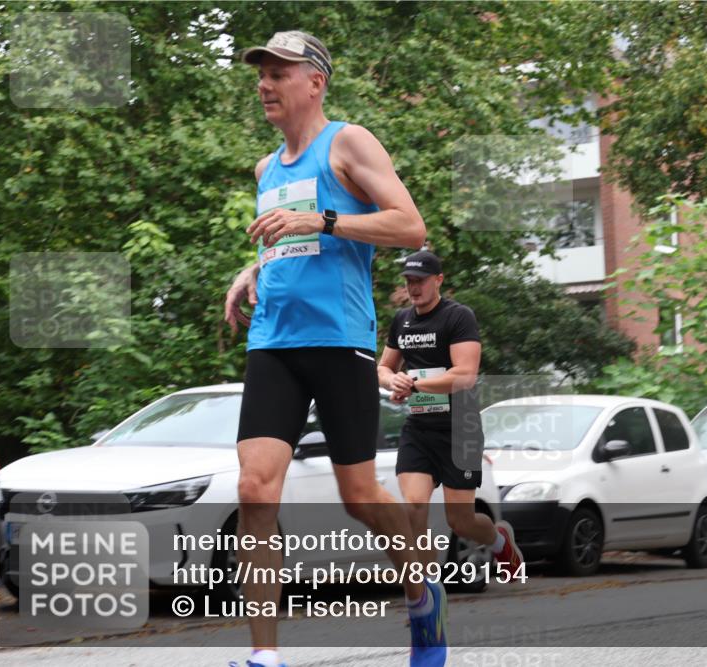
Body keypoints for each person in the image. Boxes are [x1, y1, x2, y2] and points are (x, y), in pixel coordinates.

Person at [223, 31, 444, 667]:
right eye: (261, 73)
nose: (264, 83)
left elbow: (410, 225)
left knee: (359, 497)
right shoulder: (267, 169)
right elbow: (286, 243)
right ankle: (266, 657)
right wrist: (253, 271)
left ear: (314, 82)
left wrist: (322, 219)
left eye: (278, 73)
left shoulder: (347, 142)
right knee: (253, 489)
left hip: (340, 342)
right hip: (274, 344)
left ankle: (423, 596)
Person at [377, 251, 524, 580]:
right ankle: (429, 595)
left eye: (421, 281)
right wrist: (393, 380)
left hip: (461, 428)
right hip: (420, 429)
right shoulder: (402, 320)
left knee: (462, 521)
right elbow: (383, 368)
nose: (414, 288)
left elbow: (465, 375)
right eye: (409, 281)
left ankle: (499, 540)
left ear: (438, 280)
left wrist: (415, 385)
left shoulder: (458, 317)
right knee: (414, 508)